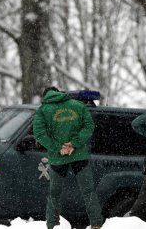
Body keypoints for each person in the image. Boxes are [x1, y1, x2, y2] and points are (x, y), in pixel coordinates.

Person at [33, 87, 104, 229]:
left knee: (54, 194)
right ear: (60, 92)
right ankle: (96, 223)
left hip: (58, 158)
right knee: (88, 191)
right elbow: (89, 126)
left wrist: (58, 148)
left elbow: (39, 134)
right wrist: (74, 143)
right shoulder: (78, 105)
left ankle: (52, 224)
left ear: (45, 96)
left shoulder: (43, 110)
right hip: (79, 155)